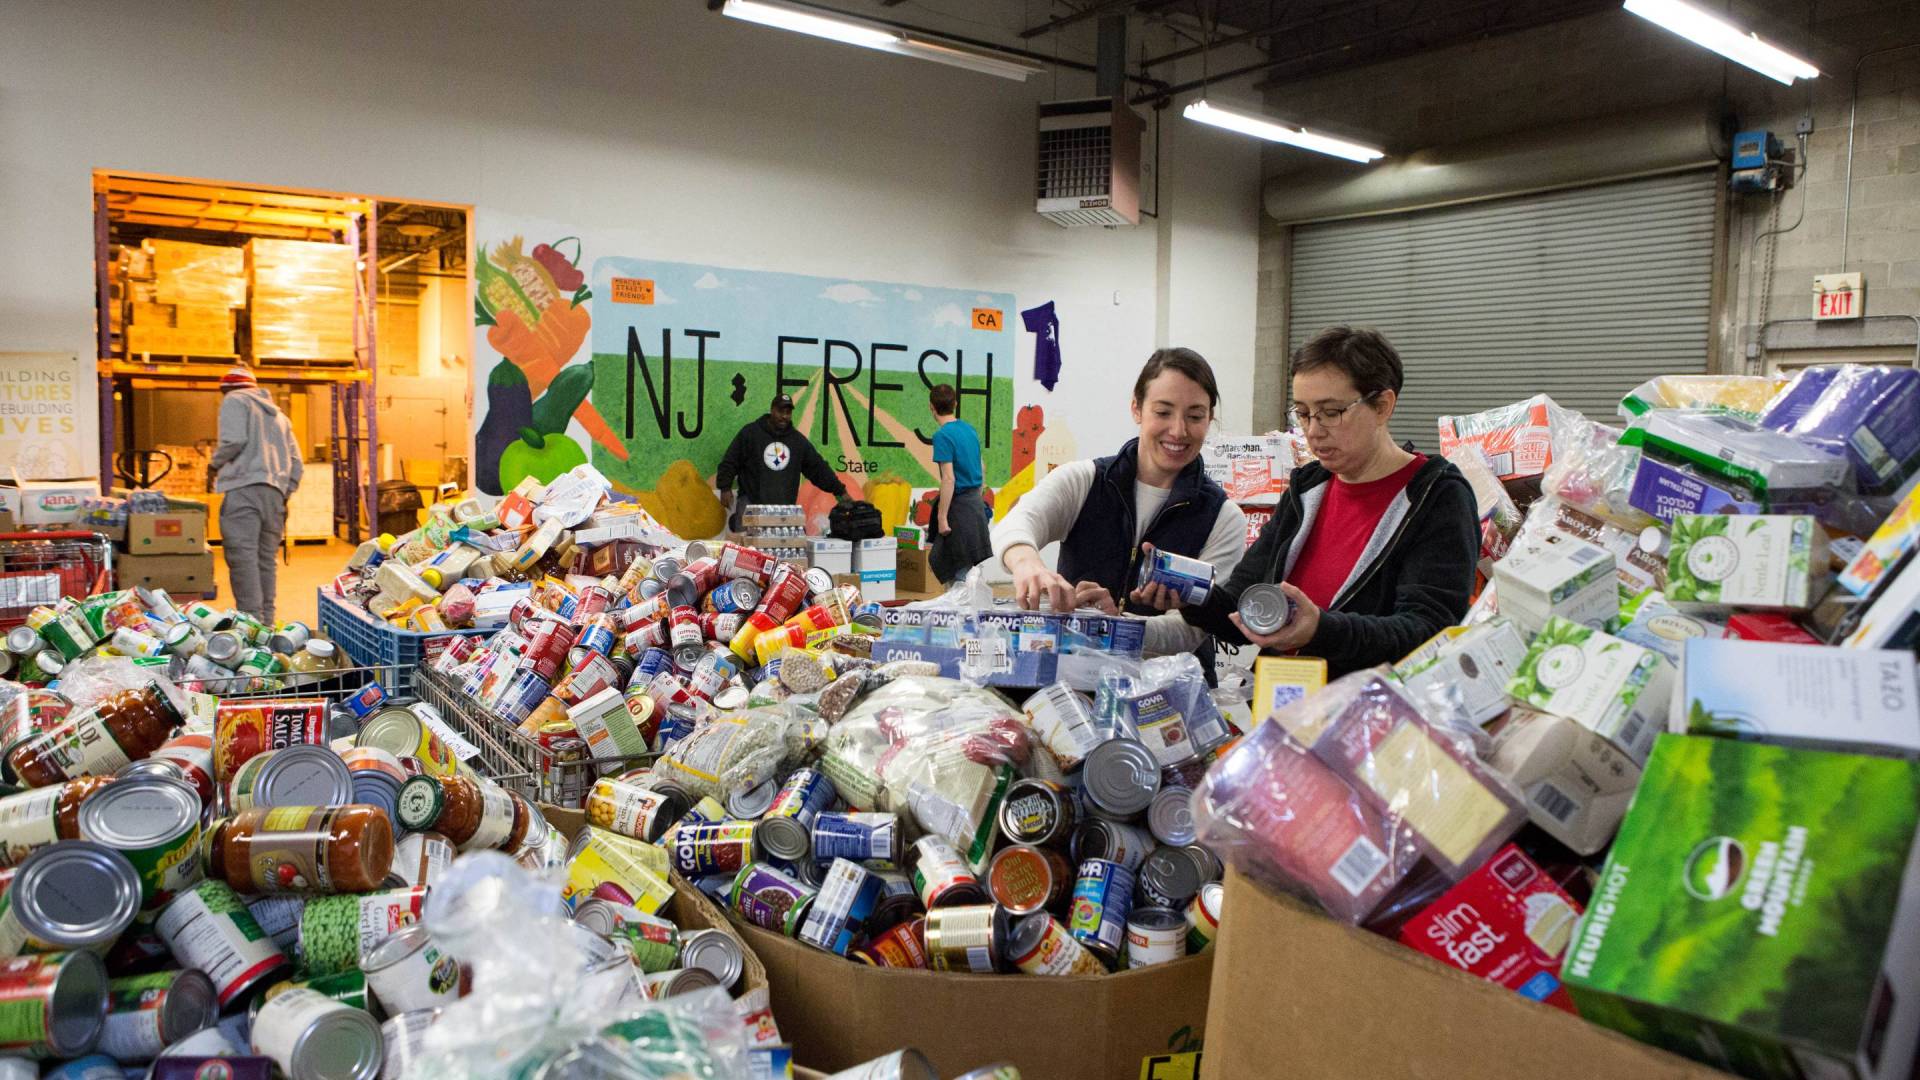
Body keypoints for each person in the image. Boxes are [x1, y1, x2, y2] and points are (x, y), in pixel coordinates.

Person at [1146, 326, 1478, 678]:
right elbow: (1241, 609)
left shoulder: (1434, 496)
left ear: (1383, 405)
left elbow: (1427, 633)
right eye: (1302, 413)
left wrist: (1321, 629)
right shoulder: (1307, 491)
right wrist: (1191, 596)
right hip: (1282, 704)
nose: (1313, 430)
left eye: (1331, 412)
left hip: (1371, 714)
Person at [992, 348, 1247, 659]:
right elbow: (1016, 524)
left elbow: (1188, 632)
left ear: (1210, 418)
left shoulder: (1223, 518)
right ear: (1137, 409)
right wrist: (1026, 564)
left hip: (1169, 692)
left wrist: (1115, 626)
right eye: (1163, 412)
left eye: (1195, 416)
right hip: (1076, 682)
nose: (1179, 431)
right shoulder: (1085, 481)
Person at [209, 367, 303, 626]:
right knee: (265, 560)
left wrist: (213, 464)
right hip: (275, 496)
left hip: (243, 491)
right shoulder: (280, 417)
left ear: (227, 388)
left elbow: (233, 441)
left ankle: (251, 625)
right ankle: (267, 625)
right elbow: (297, 464)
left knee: (243, 557)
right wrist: (285, 492)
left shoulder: (234, 400)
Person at [715, 393, 848, 529]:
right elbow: (730, 460)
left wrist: (840, 490)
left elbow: (818, 467)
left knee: (776, 549)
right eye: (780, 411)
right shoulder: (750, 433)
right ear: (772, 410)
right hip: (750, 504)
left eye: (788, 412)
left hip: (783, 510)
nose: (784, 416)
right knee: (746, 549)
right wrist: (724, 487)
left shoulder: (798, 441)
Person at [927, 383, 991, 583]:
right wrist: (977, 498)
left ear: (932, 407)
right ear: (955, 403)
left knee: (955, 570)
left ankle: (962, 611)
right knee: (968, 568)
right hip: (974, 505)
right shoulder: (969, 430)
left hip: (958, 508)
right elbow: (982, 467)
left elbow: (948, 479)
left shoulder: (942, 436)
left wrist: (942, 517)